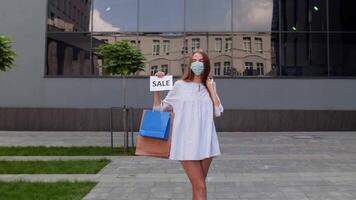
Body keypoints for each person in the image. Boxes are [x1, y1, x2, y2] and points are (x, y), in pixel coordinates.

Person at [152, 49, 224, 200]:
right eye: (194, 61)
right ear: (190, 64)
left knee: (198, 186)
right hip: (186, 143)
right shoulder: (180, 86)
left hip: (206, 141)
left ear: (206, 65)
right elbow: (159, 109)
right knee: (200, 186)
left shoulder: (210, 85)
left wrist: (210, 88)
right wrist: (157, 88)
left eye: (201, 61)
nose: (197, 64)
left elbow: (217, 111)